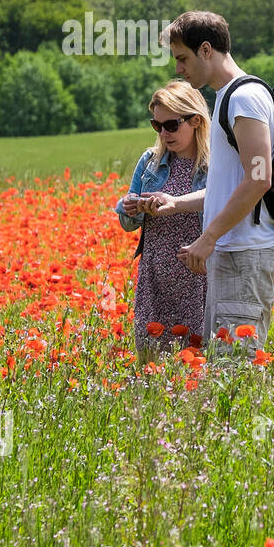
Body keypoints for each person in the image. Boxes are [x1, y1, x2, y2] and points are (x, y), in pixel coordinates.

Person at [142, 11, 274, 350]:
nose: (178, 68)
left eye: (182, 58)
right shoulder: (227, 97)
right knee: (224, 370)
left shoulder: (244, 99)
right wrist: (177, 203)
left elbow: (259, 178)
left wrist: (208, 237)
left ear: (206, 49)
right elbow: (228, 186)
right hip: (233, 253)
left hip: (245, 253)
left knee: (237, 369)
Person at [114, 81, 210, 357]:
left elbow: (222, 207)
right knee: (151, 358)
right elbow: (127, 222)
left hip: (197, 274)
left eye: (171, 125)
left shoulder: (212, 164)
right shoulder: (150, 161)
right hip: (155, 275)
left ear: (195, 121)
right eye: (158, 126)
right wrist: (132, 207)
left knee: (196, 359)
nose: (164, 133)